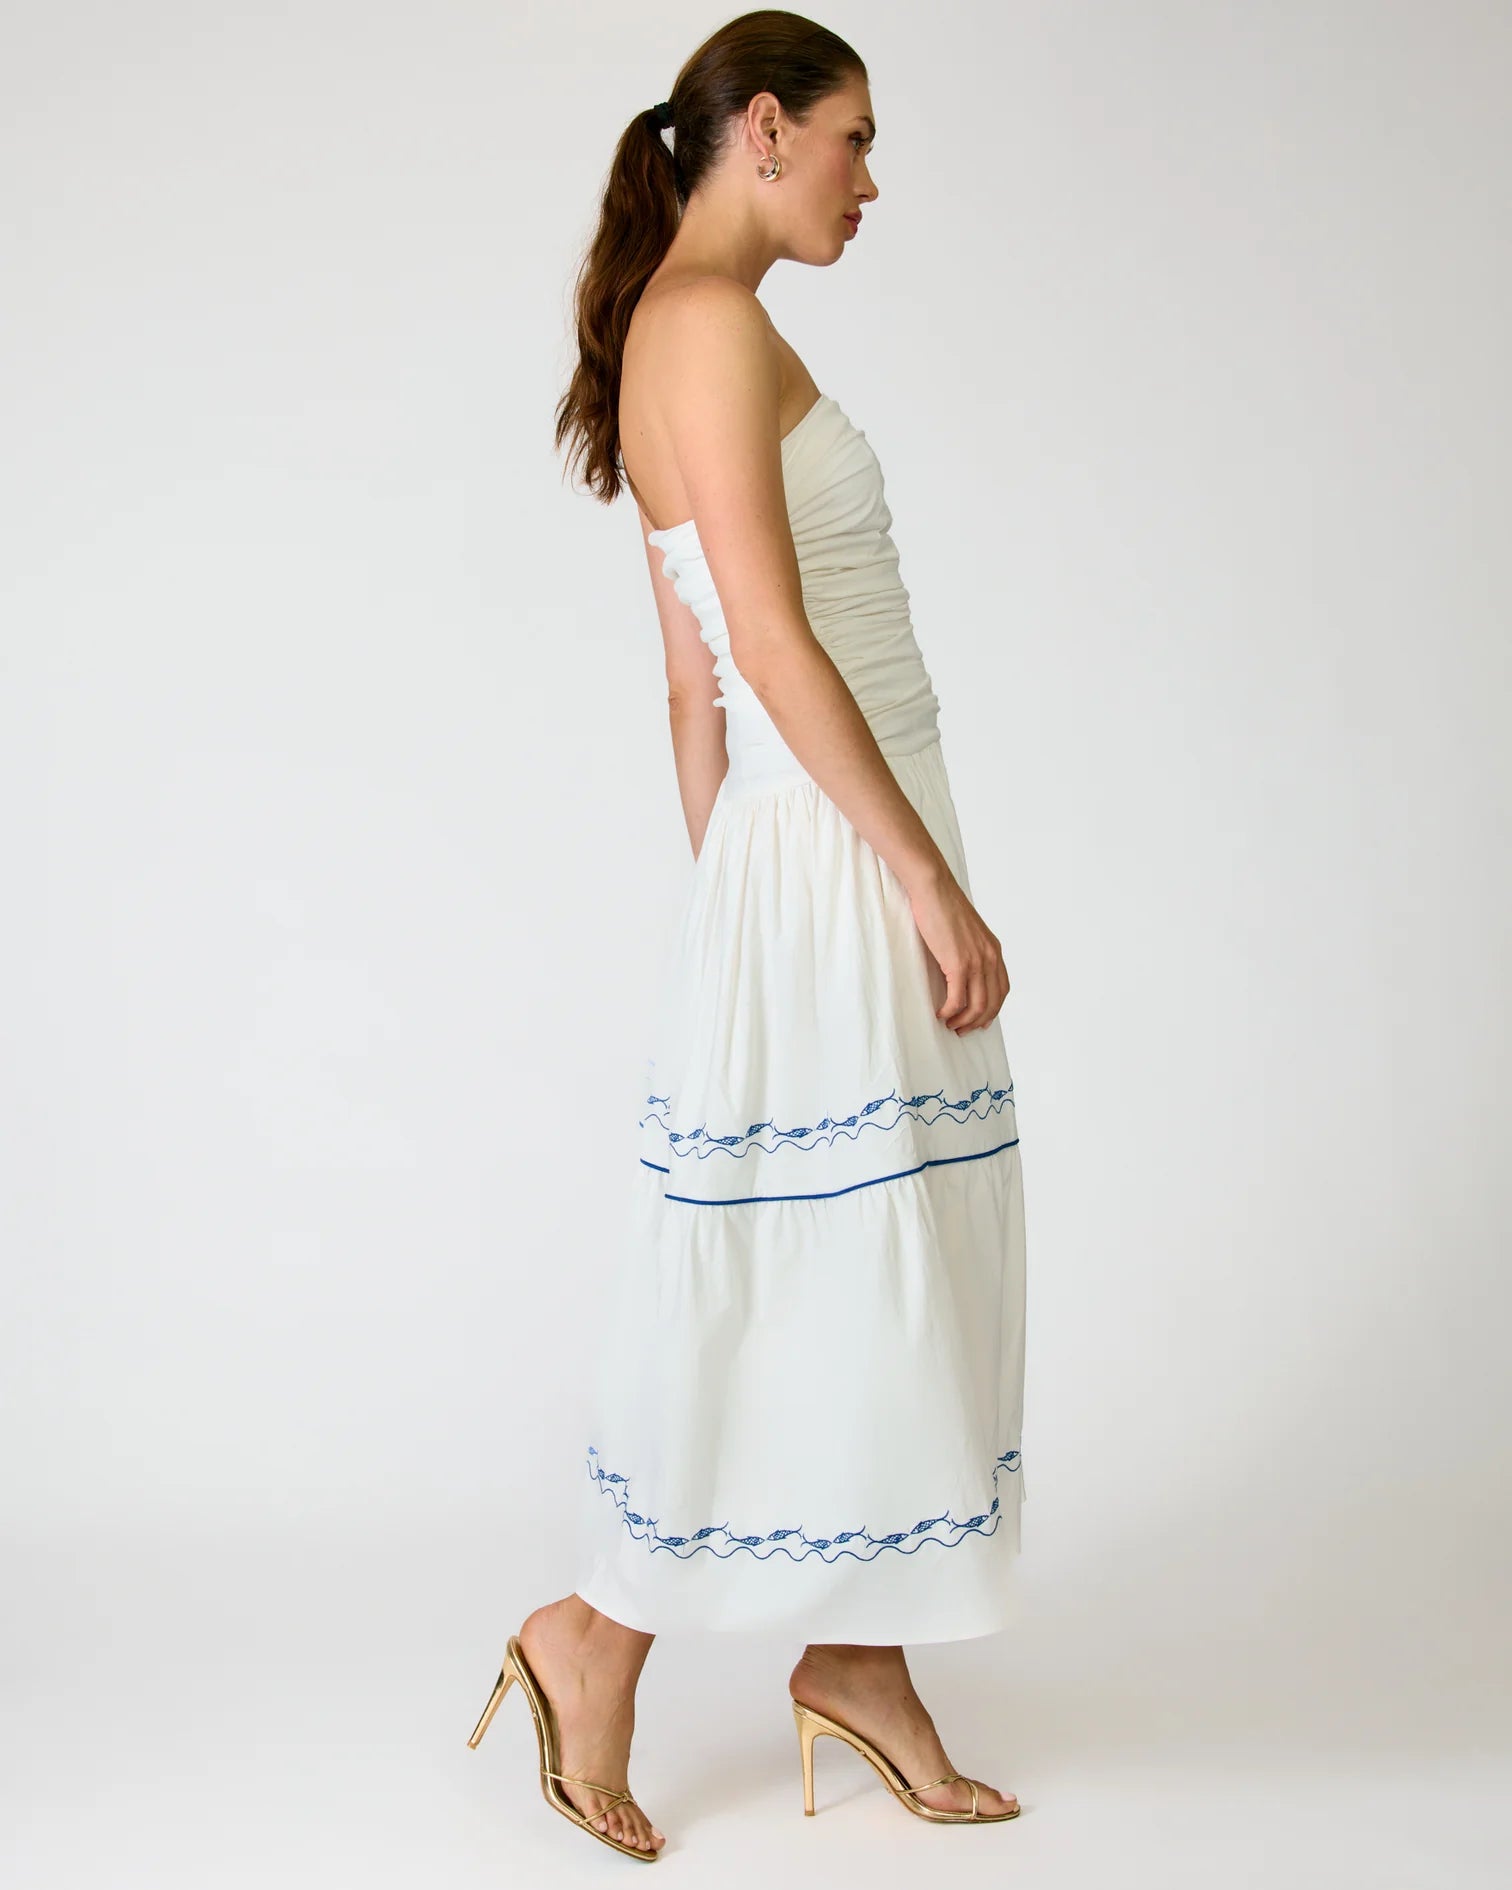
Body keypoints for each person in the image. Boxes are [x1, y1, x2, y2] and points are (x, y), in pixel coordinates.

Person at [467, 13, 1027, 1862]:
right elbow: (766, 651)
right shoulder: (703, 324)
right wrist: (918, 879)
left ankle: (857, 1657)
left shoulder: (691, 325)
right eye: (858, 140)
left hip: (803, 855)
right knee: (803, 1268)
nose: (875, 180)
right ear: (764, 128)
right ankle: (591, 1641)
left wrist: (744, 899)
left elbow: (689, 682)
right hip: (848, 848)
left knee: (871, 1254)